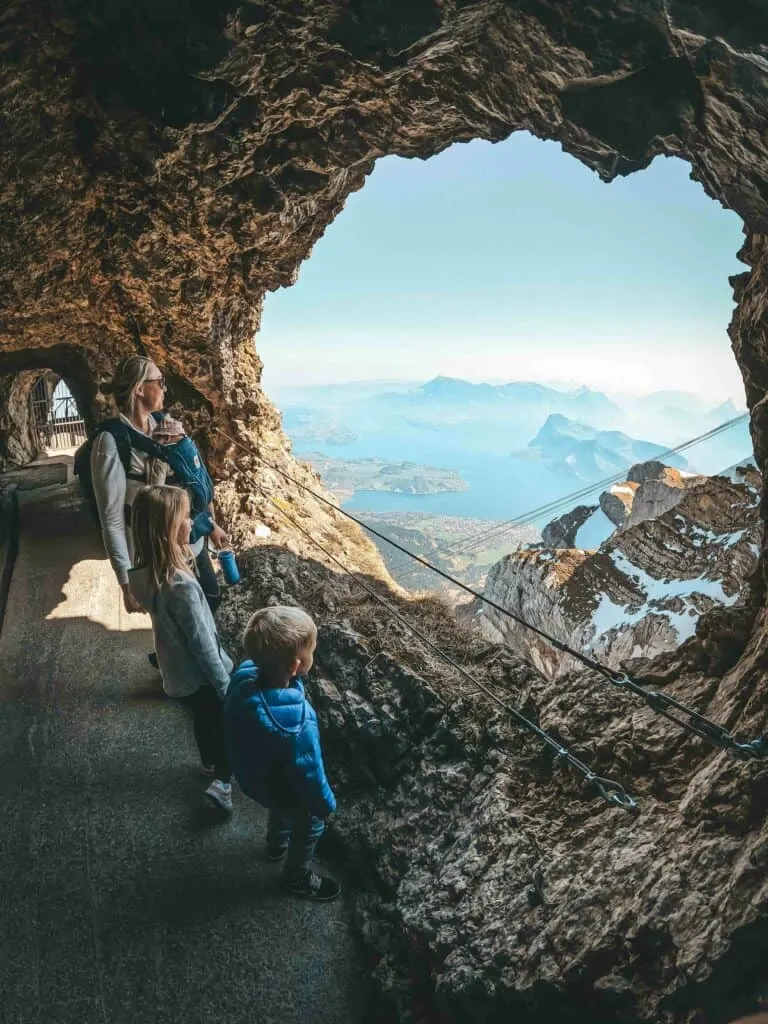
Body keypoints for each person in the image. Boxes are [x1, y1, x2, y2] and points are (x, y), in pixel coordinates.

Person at [90, 355, 227, 617]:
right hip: (157, 557)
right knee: (178, 624)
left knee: (211, 606)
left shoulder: (165, 426)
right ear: (140, 389)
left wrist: (211, 526)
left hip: (192, 542)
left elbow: (189, 480)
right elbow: (113, 521)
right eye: (159, 381)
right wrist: (126, 583)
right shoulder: (111, 443)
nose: (165, 388)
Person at [128, 485, 234, 812]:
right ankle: (223, 783)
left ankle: (206, 762)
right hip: (200, 672)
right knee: (223, 722)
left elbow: (175, 555)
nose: (191, 522)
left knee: (201, 718)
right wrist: (223, 683)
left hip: (176, 673)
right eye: (185, 517)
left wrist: (191, 545)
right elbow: (202, 642)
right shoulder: (181, 587)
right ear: (170, 530)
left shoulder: (144, 574)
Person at [223, 606, 340, 901]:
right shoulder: (296, 721)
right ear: (295, 665)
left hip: (258, 778)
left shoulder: (243, 676)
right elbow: (309, 771)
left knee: (281, 808)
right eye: (312, 651)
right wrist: (325, 805)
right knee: (309, 823)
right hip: (285, 787)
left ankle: (275, 845)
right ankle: (296, 877)